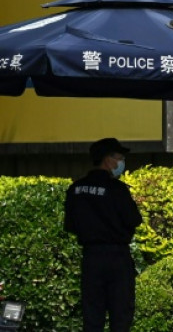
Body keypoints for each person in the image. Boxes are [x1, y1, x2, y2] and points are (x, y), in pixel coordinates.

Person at [63, 137, 143, 332]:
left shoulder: (75, 189)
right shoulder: (117, 189)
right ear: (108, 159)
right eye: (119, 158)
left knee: (92, 315)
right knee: (120, 315)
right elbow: (134, 220)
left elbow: (71, 225)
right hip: (117, 258)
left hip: (91, 258)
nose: (121, 163)